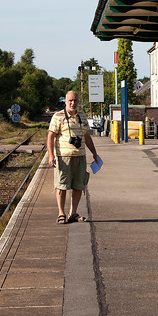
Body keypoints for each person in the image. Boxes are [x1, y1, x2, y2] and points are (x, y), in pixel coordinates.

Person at [47, 90, 99, 224]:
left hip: (80, 156)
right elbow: (50, 136)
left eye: (75, 100)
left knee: (78, 186)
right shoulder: (58, 116)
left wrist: (94, 153)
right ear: (65, 101)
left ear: (78, 102)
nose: (72, 103)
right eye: (70, 100)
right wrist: (51, 155)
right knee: (62, 186)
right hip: (63, 157)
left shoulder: (82, 116)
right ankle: (61, 213)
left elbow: (87, 137)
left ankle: (73, 213)